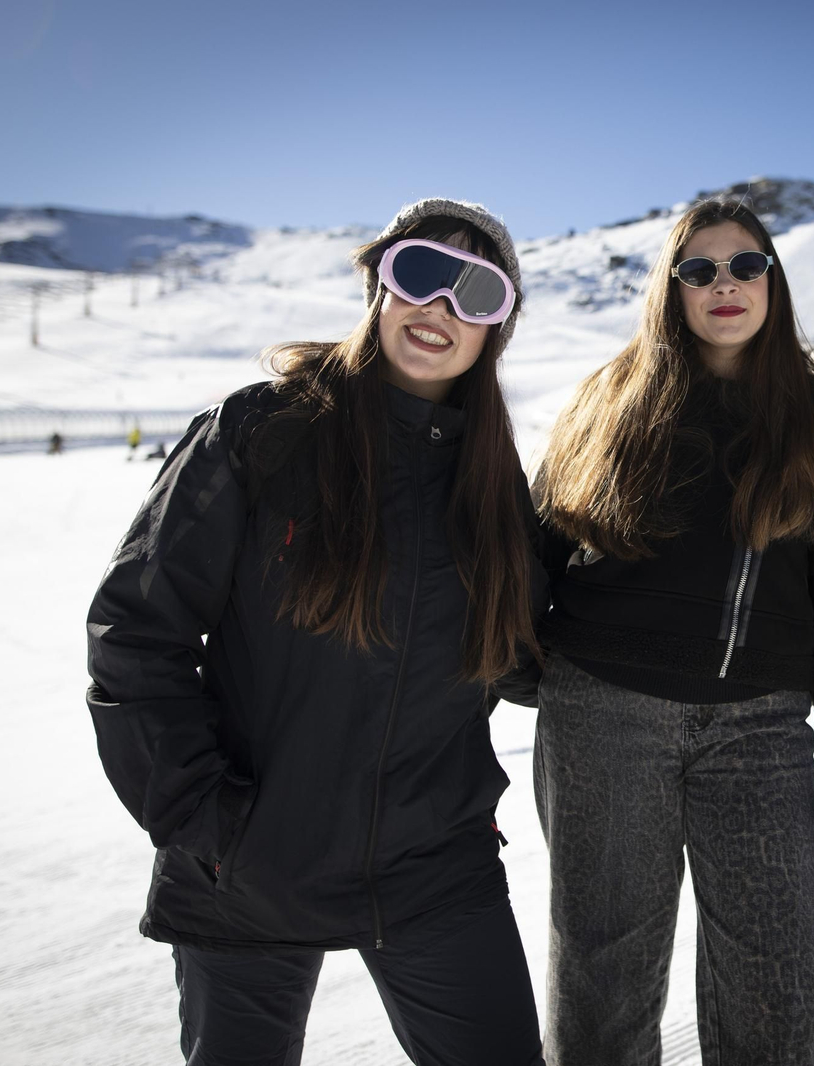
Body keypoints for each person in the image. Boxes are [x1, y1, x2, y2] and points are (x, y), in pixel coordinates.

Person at [86, 198, 546, 1066]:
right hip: (249, 863)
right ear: (378, 281)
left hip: (436, 866)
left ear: (498, 327)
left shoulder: (491, 488)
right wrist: (204, 820)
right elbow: (136, 632)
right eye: (420, 273)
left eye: (476, 291)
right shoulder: (262, 431)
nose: (440, 308)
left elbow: (527, 658)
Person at [532, 199, 814, 1065]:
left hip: (761, 729)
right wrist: (517, 668)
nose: (723, 285)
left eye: (744, 266)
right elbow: (530, 557)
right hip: (606, 718)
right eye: (699, 270)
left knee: (775, 997)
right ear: (672, 290)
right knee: (604, 989)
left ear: (773, 279)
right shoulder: (611, 400)